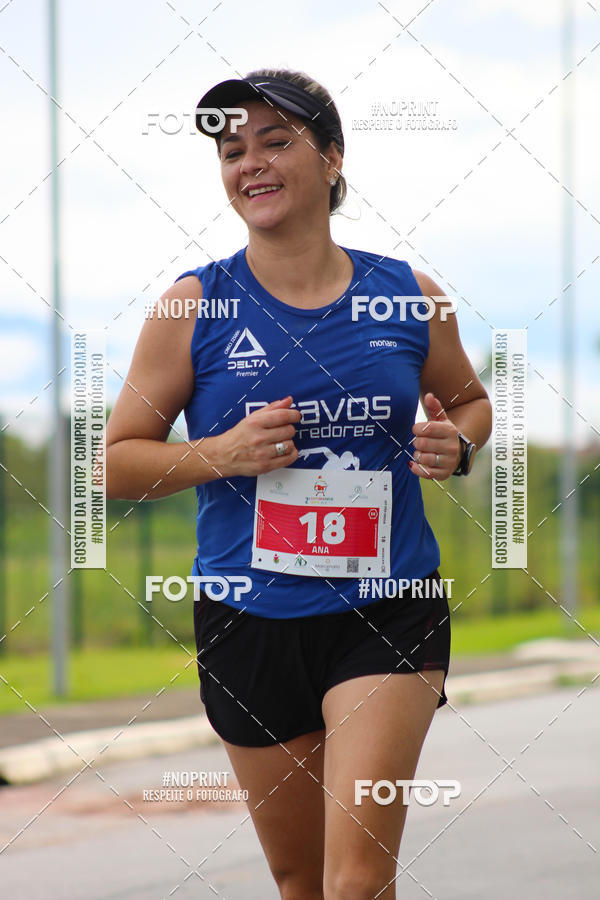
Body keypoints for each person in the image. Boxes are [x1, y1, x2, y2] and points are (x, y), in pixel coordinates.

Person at [107, 67, 492, 900]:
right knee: (302, 881)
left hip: (388, 608)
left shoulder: (408, 296)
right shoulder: (192, 306)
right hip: (248, 620)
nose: (250, 162)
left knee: (357, 878)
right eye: (232, 151)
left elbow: (469, 402)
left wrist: (455, 444)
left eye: (275, 141)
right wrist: (221, 453)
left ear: (332, 158)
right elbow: (114, 463)